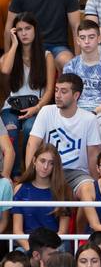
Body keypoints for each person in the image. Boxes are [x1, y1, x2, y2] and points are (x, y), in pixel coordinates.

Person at [24, 73, 101, 195]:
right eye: (56, 90)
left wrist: (97, 185)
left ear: (76, 95)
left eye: (63, 91)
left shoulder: (89, 119)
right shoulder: (46, 111)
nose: (58, 95)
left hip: (77, 173)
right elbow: (32, 144)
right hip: (49, 169)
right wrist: (30, 174)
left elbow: (93, 155)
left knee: (89, 190)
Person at [1, 12, 55, 174]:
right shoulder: (9, 56)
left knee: (31, 128)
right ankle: (15, 174)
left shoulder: (46, 56)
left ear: (35, 30)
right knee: (10, 129)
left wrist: (37, 108)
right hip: (10, 107)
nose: (24, 33)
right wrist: (14, 45)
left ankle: (28, 171)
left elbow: (50, 90)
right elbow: (4, 69)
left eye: (27, 28)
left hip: (35, 106)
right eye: (19, 30)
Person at [6, 0, 80, 70]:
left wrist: (79, 59)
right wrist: (7, 54)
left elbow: (76, 27)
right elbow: (9, 27)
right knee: (5, 64)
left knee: (69, 64)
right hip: (30, 45)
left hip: (58, 46)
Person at [63, 20, 101, 149]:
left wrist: (92, 114)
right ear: (77, 40)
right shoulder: (70, 67)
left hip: (99, 114)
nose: (87, 41)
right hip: (75, 113)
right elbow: (66, 97)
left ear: (99, 39)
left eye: (91, 37)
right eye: (82, 38)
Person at [12, 147, 70, 249]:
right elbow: (17, 231)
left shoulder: (63, 191)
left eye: (51, 163)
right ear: (34, 161)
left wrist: (48, 251)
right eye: (42, 161)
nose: (45, 166)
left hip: (55, 245)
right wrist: (32, 251)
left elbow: (63, 231)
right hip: (27, 245)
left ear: (55, 166)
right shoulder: (20, 189)